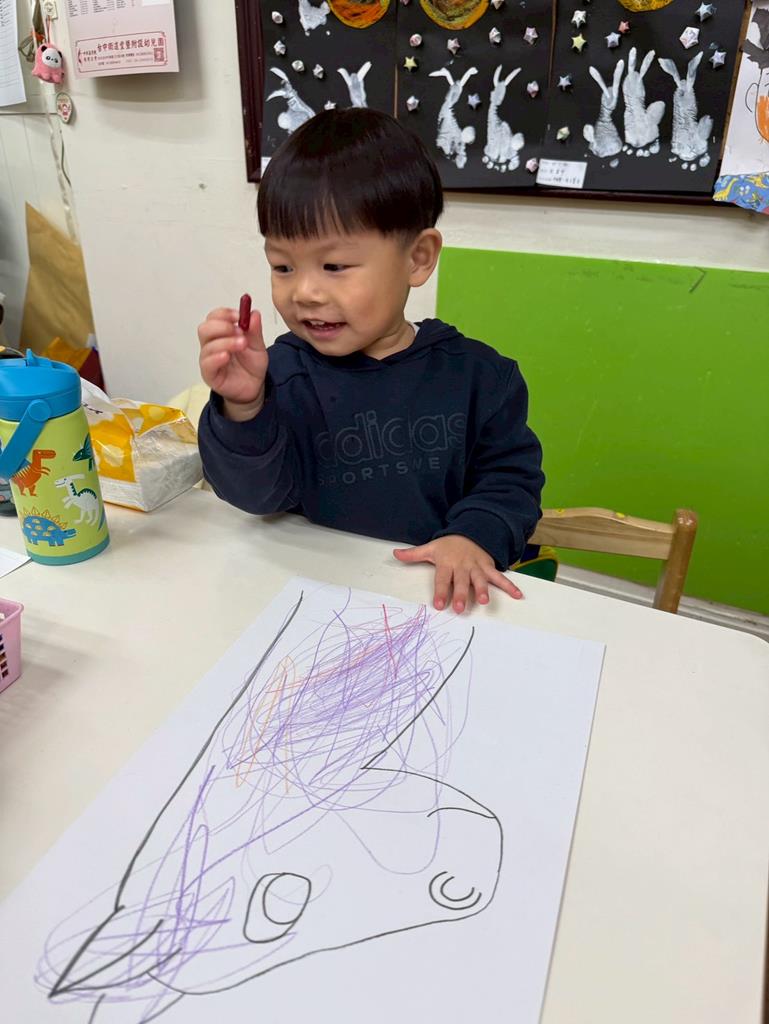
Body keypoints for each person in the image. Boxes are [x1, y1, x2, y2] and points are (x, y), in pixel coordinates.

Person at [197, 108, 543, 614]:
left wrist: (473, 536)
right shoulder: (282, 374)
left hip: (436, 602)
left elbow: (510, 481)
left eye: (334, 265)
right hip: (314, 598)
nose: (305, 292)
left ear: (417, 258)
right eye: (283, 266)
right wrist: (243, 408)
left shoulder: (481, 379)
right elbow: (254, 498)